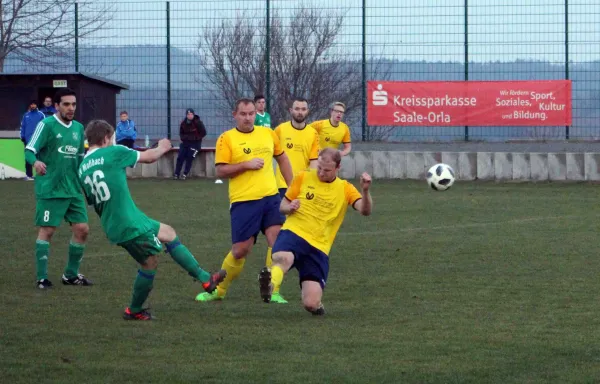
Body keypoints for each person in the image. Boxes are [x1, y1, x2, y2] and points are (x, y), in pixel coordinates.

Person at [79, 120, 226, 320]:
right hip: (128, 223)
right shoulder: (113, 152)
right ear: (106, 138)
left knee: (168, 232)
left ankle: (206, 279)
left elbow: (92, 200)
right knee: (150, 262)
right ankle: (134, 310)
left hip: (117, 221)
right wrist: (163, 147)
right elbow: (149, 157)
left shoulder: (82, 167)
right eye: (111, 137)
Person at [195, 98, 293, 303]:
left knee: (277, 244)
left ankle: (272, 290)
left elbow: (282, 158)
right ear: (235, 115)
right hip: (244, 201)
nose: (248, 118)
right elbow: (221, 170)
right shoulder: (226, 138)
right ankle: (218, 290)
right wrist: (246, 164)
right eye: (244, 114)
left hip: (271, 198)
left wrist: (293, 187)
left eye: (251, 114)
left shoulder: (268, 134)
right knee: (241, 251)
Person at [258, 148, 373, 315]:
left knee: (310, 303)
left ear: (337, 168)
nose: (320, 172)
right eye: (319, 167)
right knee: (284, 258)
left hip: (319, 247)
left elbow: (365, 210)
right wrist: (289, 207)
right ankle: (270, 286)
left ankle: (317, 305)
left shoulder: (345, 188)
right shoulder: (303, 176)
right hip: (294, 232)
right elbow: (282, 206)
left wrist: (365, 190)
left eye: (326, 170)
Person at [24, 88, 91, 289]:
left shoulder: (79, 128)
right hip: (51, 188)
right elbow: (29, 150)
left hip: (73, 189)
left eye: (73, 104)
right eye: (66, 104)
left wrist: (85, 183)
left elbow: (80, 159)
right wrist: (35, 162)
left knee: (82, 229)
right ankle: (42, 278)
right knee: (48, 231)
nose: (71, 108)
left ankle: (70, 275)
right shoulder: (46, 125)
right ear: (56, 106)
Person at [174, 108, 206, 180]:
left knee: (189, 157)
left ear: (193, 115)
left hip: (195, 144)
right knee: (180, 157)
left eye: (191, 114)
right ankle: (176, 174)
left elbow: (203, 133)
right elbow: (181, 133)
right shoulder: (183, 123)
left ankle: (185, 174)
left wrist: (195, 138)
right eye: (188, 114)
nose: (190, 116)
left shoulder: (198, 122)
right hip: (185, 143)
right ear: (186, 115)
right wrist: (184, 138)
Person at [20, 100, 45, 180]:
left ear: (36, 105)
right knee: (28, 157)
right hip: (27, 140)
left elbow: (45, 126)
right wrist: (22, 137)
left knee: (40, 157)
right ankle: (28, 175)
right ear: (30, 105)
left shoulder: (41, 115)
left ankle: (41, 174)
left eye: (34, 104)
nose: (33, 105)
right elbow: (22, 127)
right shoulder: (26, 115)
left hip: (38, 139)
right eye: (31, 104)